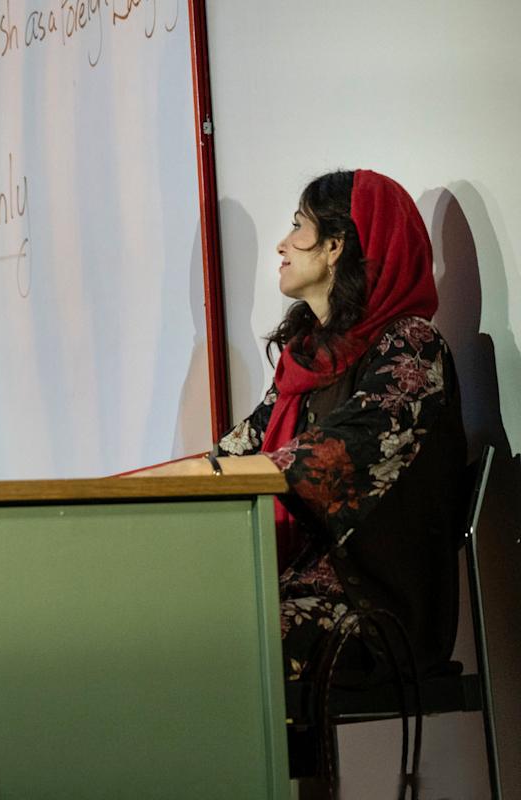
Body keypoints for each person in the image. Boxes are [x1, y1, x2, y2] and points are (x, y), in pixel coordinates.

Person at [141, 169, 466, 682]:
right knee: (155, 624)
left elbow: (333, 454)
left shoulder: (412, 347)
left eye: (298, 227)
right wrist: (145, 484)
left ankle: (278, 767)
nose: (282, 244)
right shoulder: (310, 359)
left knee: (211, 644)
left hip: (375, 608)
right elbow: (238, 449)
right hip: (299, 588)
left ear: (336, 246)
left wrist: (215, 475)